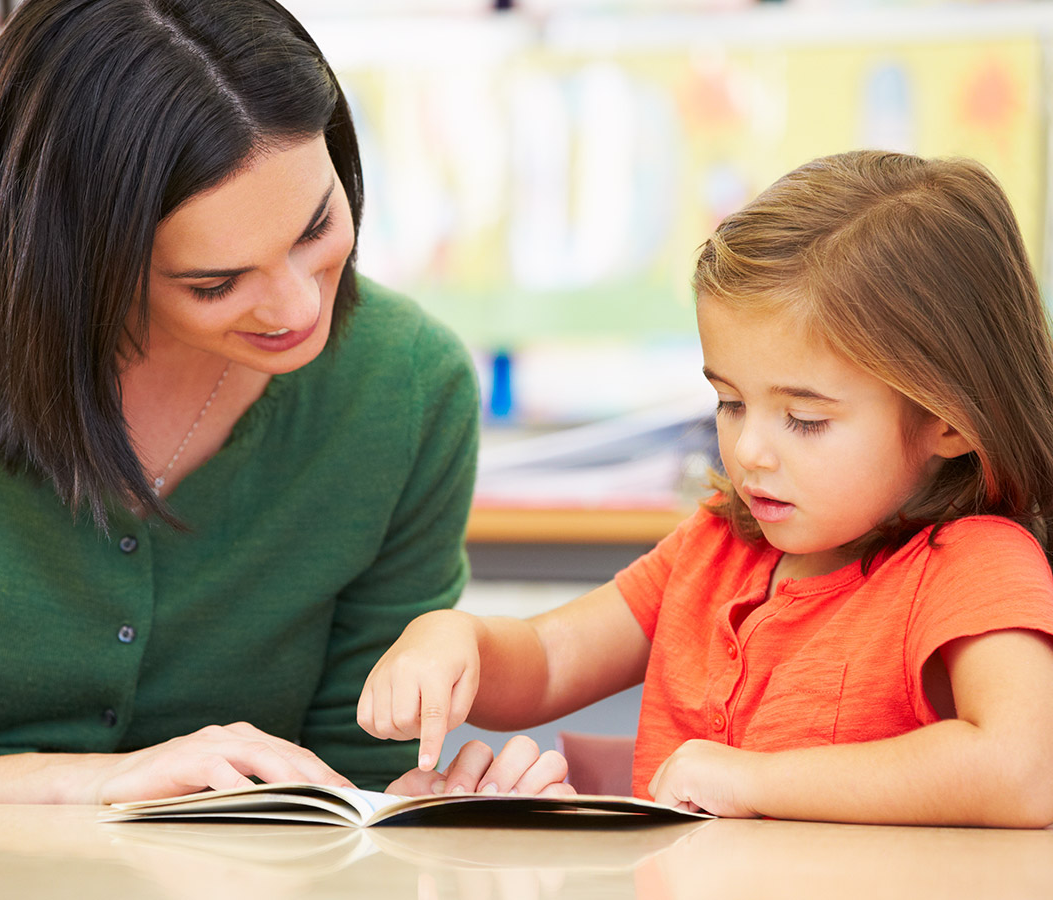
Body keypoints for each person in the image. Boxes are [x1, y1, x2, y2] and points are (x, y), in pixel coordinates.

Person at [0, 0, 569, 803]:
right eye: (215, 283)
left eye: (316, 228)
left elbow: (354, 776)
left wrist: (428, 807)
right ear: (82, 259)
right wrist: (97, 785)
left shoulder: (407, 387)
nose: (298, 310)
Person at [359, 150, 1053, 826]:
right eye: (729, 403)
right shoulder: (717, 544)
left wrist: (754, 778)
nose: (749, 450)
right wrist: (456, 641)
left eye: (805, 420)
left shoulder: (974, 566)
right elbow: (548, 662)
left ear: (947, 421)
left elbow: (1025, 769)